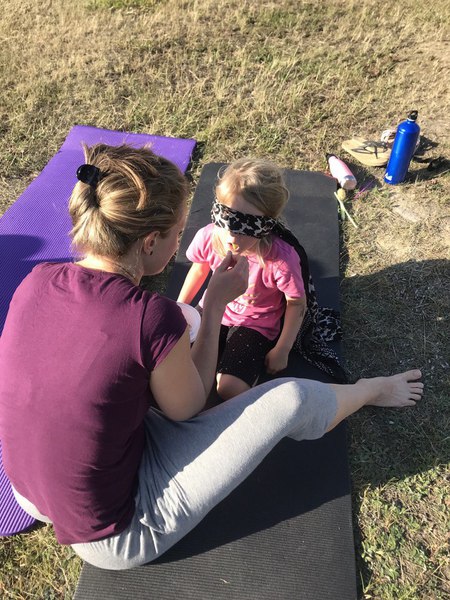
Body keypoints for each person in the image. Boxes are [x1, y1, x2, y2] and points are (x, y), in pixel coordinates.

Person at [0, 144, 423, 571]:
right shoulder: (150, 317)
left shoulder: (37, 279)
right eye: (177, 232)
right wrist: (215, 305)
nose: (181, 243)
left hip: (29, 492)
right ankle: (370, 390)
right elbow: (188, 408)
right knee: (292, 399)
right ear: (150, 241)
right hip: (115, 533)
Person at [177, 159, 308, 400]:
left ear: (266, 225)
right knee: (183, 373)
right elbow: (198, 270)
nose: (232, 237)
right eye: (226, 221)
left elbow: (296, 302)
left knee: (229, 389)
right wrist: (181, 308)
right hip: (212, 309)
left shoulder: (280, 260)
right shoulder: (209, 237)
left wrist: (283, 348)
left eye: (247, 227)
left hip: (255, 324)